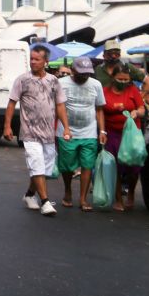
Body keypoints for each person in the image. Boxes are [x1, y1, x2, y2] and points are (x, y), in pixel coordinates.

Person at [4, 45, 70, 217]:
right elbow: (12, 103)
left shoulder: (54, 81)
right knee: (36, 164)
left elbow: (60, 105)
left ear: (45, 61)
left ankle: (29, 194)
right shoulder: (22, 80)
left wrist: (66, 128)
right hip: (29, 132)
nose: (33, 62)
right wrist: (7, 126)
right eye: (31, 59)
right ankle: (46, 202)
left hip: (48, 133)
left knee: (44, 170)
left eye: (37, 59)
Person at [56, 58, 107, 211]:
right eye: (81, 73)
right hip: (67, 132)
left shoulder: (96, 85)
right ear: (73, 70)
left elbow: (99, 109)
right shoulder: (62, 83)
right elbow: (59, 106)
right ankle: (67, 191)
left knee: (87, 165)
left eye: (87, 73)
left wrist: (102, 130)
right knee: (66, 166)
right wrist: (62, 128)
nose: (84, 76)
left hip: (89, 131)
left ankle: (83, 198)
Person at [102, 63, 145, 212]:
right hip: (112, 133)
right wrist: (102, 132)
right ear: (113, 77)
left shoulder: (132, 90)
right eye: (120, 79)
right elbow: (100, 111)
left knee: (134, 167)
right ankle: (118, 198)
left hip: (132, 135)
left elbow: (142, 108)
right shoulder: (105, 91)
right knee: (115, 167)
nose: (123, 82)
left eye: (126, 79)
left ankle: (131, 191)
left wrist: (136, 113)